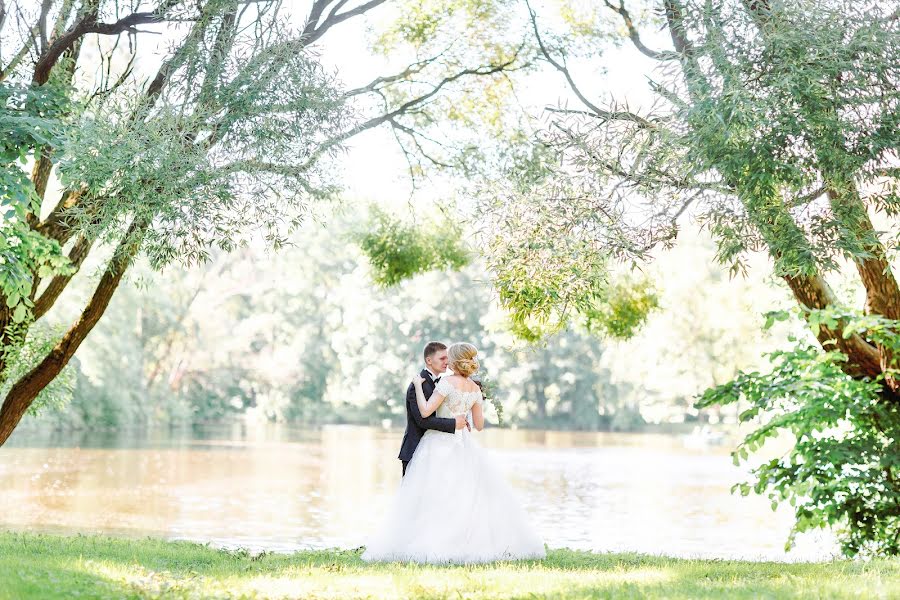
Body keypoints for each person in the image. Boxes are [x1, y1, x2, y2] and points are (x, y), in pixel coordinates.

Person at [362, 342, 546, 564]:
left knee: (435, 496)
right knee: (463, 497)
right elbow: (479, 425)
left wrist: (418, 387)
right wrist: (463, 415)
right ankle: (463, 543)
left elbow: (426, 411)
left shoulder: (446, 383)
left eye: (448, 358)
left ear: (455, 360)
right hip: (464, 446)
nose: (446, 362)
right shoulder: (476, 389)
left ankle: (433, 543)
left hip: (438, 446)